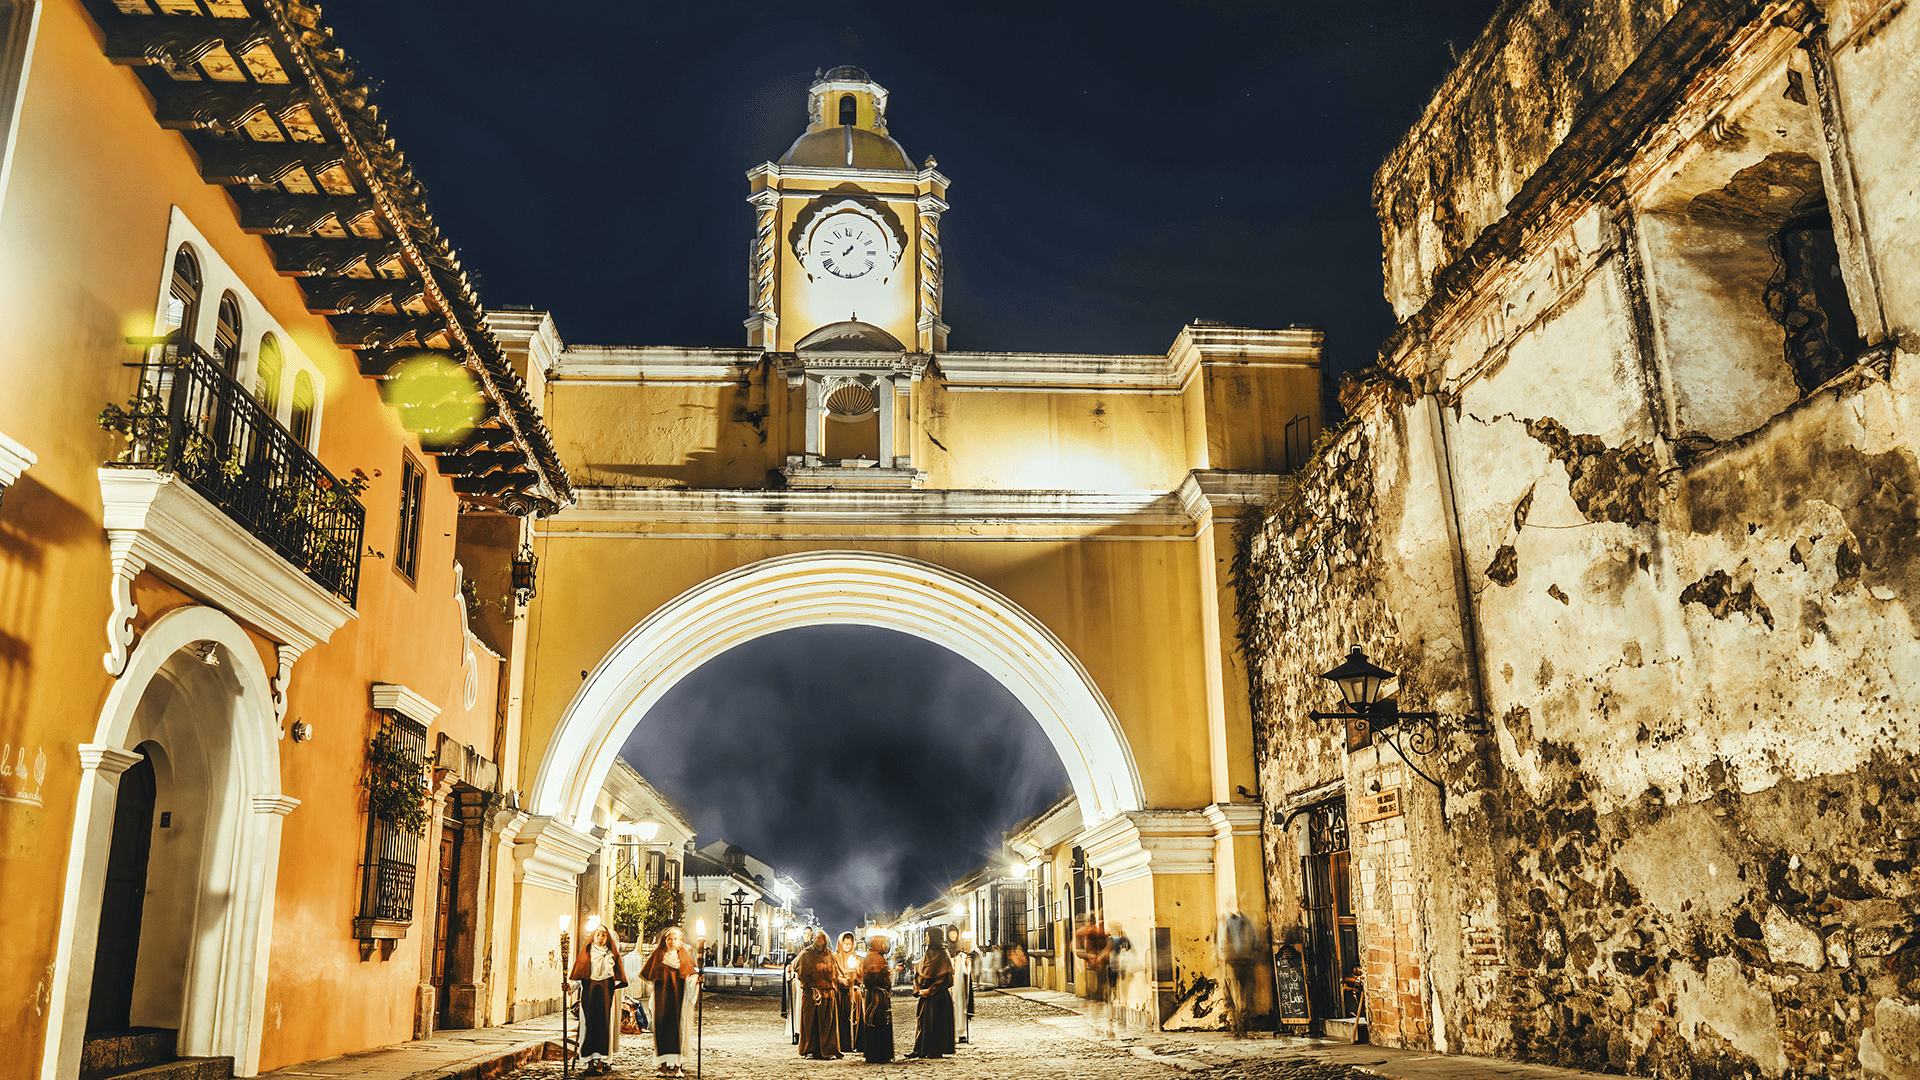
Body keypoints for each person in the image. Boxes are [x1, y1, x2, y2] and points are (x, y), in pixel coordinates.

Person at [637, 926, 700, 1078]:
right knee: (662, 1030)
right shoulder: (658, 956)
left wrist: (696, 980)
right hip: (662, 999)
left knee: (679, 1030)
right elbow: (649, 978)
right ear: (664, 941)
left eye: (675, 939)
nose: (672, 942)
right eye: (669, 939)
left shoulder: (684, 957)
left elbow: (691, 978)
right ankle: (663, 1065)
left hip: (679, 1000)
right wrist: (653, 989)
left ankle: (678, 1066)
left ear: (681, 942)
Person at [570, 924, 629, 1076]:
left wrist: (612, 983)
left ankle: (601, 1062)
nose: (601, 938)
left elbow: (617, 977)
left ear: (608, 938)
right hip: (588, 994)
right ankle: (589, 1062)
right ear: (593, 937)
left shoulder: (611, 954)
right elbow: (579, 976)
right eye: (598, 935)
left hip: (605, 995)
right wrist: (570, 986)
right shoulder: (586, 954)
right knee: (588, 1026)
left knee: (604, 1026)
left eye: (604, 935)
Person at [907, 930, 955, 1058]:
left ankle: (935, 1050)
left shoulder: (943, 954)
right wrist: (918, 986)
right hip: (926, 997)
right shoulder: (928, 953)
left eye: (928, 936)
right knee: (923, 1023)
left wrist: (932, 990)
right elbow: (921, 971)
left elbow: (945, 978)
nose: (926, 938)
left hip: (939, 998)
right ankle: (920, 1049)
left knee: (936, 1024)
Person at [795, 930, 842, 1059]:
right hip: (813, 996)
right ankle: (811, 1049)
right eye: (817, 939)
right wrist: (812, 986)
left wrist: (845, 980)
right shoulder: (806, 954)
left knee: (828, 1024)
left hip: (828, 994)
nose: (819, 942)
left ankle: (829, 1049)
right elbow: (800, 972)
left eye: (821, 939)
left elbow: (836, 974)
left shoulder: (830, 955)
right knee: (813, 1023)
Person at [854, 935, 895, 1062]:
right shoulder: (873, 957)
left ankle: (878, 1053)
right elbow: (872, 977)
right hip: (877, 996)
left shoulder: (876, 956)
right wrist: (884, 974)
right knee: (878, 1023)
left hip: (878, 995)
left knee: (880, 1023)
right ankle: (878, 1054)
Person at [1073, 917, 1114, 1036]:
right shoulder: (1087, 934)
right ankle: (1098, 1020)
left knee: (1101, 991)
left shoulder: (1102, 934)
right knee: (1099, 991)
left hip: (1102, 964)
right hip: (1097, 965)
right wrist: (1093, 956)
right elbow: (1082, 951)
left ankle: (1099, 1020)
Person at [834, 932, 861, 1051]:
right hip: (840, 993)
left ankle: (856, 1042)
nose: (847, 946)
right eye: (845, 943)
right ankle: (843, 1043)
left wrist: (854, 980)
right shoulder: (835, 957)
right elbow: (833, 973)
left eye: (849, 944)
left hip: (854, 992)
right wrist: (842, 981)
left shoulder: (856, 957)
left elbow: (860, 972)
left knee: (855, 1018)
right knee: (842, 1018)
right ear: (840, 943)